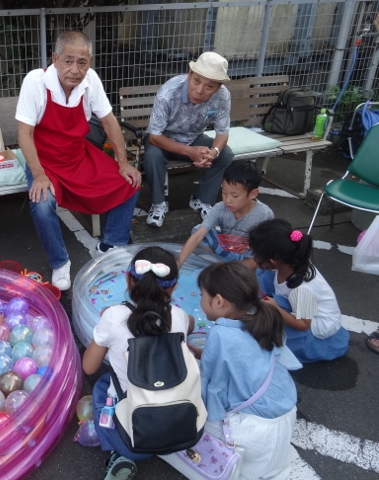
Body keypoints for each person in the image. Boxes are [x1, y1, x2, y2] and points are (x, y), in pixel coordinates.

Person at [16, 31, 141, 291]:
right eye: (68, 61)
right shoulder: (35, 82)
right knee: (42, 203)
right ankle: (60, 261)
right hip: (44, 162)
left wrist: (123, 162)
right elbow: (24, 135)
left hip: (77, 155)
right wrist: (38, 175)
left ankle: (110, 245)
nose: (75, 70)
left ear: (90, 62)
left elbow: (109, 122)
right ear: (55, 59)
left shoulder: (90, 81)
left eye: (82, 62)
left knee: (130, 181)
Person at [82, 246, 194, 479]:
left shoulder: (113, 317)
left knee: (102, 383)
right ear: (174, 287)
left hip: (130, 443)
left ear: (127, 279)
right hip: (177, 431)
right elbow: (187, 324)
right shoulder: (180, 317)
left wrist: (104, 326)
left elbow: (88, 367)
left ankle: (118, 454)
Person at [194, 262, 297, 478]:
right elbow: (242, 358)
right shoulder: (261, 314)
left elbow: (212, 388)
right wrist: (200, 353)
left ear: (219, 301)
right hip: (284, 415)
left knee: (197, 420)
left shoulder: (220, 333)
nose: (200, 300)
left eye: (202, 295)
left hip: (254, 431)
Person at [143, 51, 233, 227]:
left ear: (218, 87)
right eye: (196, 81)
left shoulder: (223, 96)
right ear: (190, 74)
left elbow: (222, 132)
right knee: (152, 156)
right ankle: (158, 204)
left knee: (225, 154)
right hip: (162, 140)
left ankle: (202, 200)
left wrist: (213, 152)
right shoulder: (168, 92)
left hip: (193, 139)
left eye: (209, 87)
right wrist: (190, 151)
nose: (199, 91)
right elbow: (154, 136)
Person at [249, 219, 349, 363]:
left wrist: (276, 308)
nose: (253, 258)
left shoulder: (302, 289)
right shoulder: (290, 261)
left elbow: (303, 325)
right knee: (263, 277)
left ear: (272, 261)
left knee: (272, 318)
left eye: (256, 255)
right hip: (302, 307)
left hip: (316, 324)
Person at [177, 160, 273, 269]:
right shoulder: (220, 208)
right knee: (197, 230)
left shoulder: (264, 215)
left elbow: (266, 251)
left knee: (263, 257)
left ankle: (228, 268)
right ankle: (220, 264)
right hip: (227, 249)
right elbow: (198, 235)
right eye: (224, 192)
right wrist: (178, 262)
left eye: (235, 196)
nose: (227, 200)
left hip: (247, 256)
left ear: (253, 194)